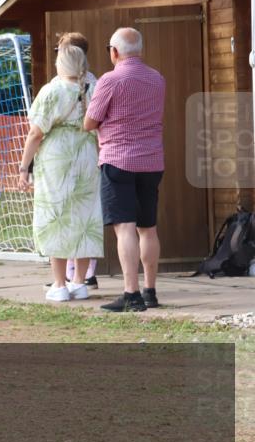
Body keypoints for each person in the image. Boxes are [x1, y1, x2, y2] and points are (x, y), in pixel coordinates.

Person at [85, 27, 166, 312]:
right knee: (148, 228)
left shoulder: (109, 80)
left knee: (125, 228)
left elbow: (90, 122)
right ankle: (150, 292)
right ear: (139, 50)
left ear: (115, 51)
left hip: (118, 159)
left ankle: (130, 294)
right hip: (152, 161)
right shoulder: (157, 79)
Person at [18, 44, 103, 302]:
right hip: (87, 154)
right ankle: (79, 281)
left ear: (61, 64)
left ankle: (59, 283)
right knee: (83, 215)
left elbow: (35, 132)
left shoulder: (52, 90)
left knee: (55, 214)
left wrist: (24, 167)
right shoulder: (94, 86)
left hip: (57, 158)